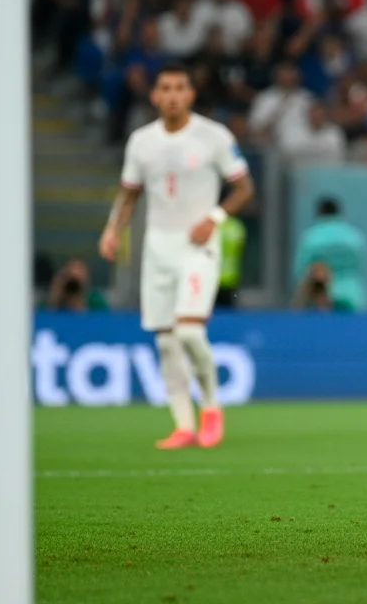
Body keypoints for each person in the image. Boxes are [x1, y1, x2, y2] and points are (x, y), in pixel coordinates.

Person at [99, 63, 255, 450]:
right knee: (167, 343)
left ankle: (213, 408)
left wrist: (214, 217)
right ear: (155, 96)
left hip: (198, 246)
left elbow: (244, 188)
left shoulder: (213, 136)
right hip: (157, 248)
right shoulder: (141, 142)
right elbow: (130, 194)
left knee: (188, 330)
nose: (172, 95)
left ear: (190, 95)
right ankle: (184, 426)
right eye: (165, 88)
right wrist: (112, 230)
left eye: (179, 88)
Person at [292, 197, 367, 312]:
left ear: (319, 213)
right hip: (353, 296)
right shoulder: (354, 236)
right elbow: (361, 265)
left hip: (321, 301)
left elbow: (300, 270)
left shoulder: (311, 237)